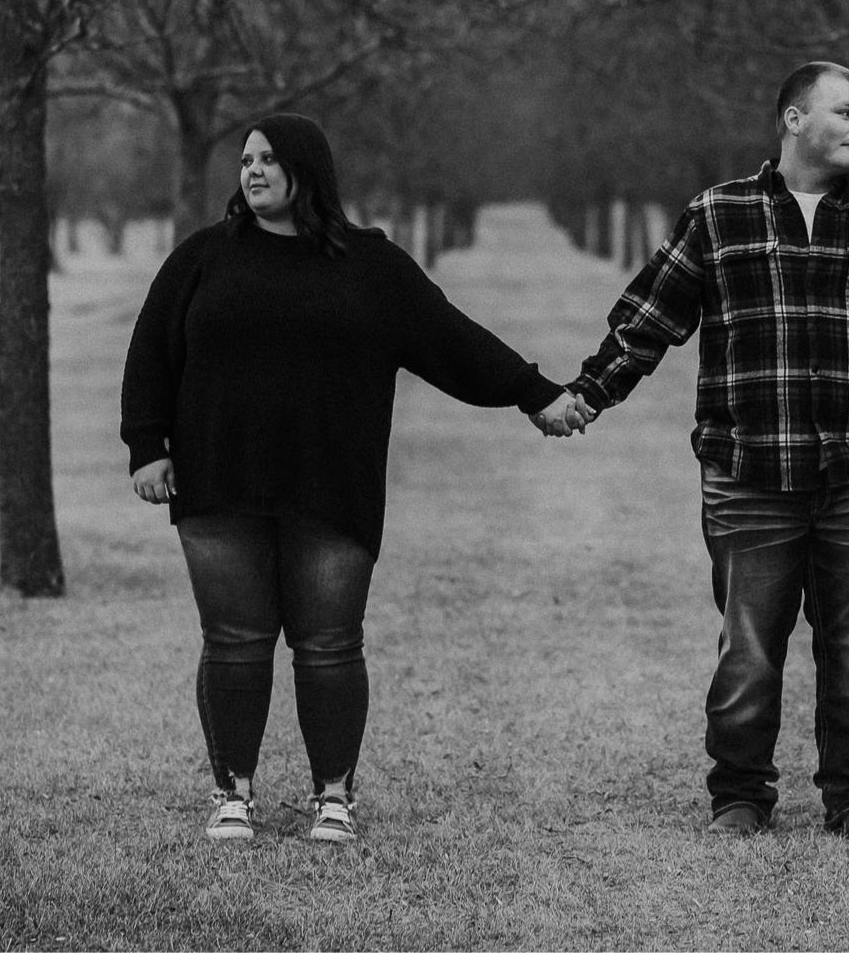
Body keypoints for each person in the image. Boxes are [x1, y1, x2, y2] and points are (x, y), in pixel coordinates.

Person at [121, 113, 582, 844]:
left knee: (330, 643)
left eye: (268, 159)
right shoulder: (204, 257)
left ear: (307, 169)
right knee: (235, 640)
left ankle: (333, 796)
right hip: (219, 483)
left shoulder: (370, 266)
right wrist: (147, 446)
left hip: (332, 487)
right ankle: (232, 793)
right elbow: (151, 350)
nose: (252, 171)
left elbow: (451, 341)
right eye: (245, 160)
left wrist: (536, 393)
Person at [558, 62, 849, 841]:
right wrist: (586, 395)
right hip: (749, 473)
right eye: (845, 111)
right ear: (794, 120)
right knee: (748, 650)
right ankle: (740, 794)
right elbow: (647, 321)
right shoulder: (720, 214)